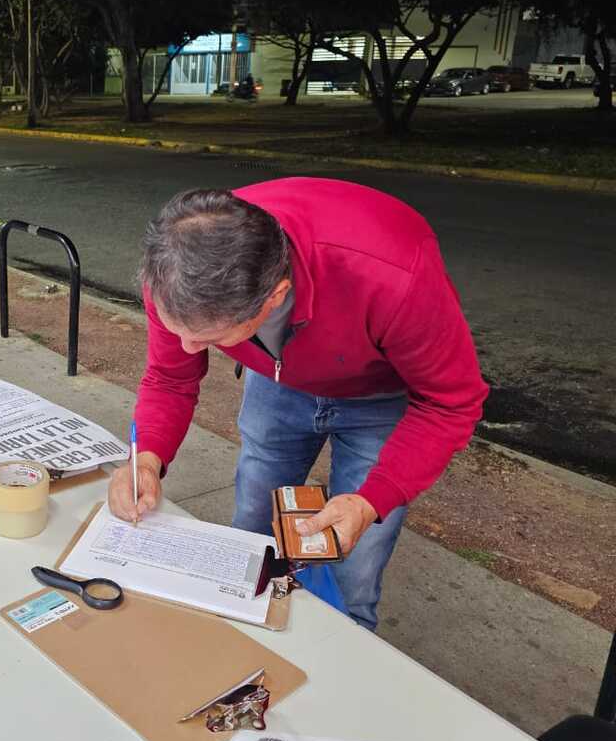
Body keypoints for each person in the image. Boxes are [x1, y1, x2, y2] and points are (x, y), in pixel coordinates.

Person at [108, 180, 488, 629]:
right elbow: (171, 377)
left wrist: (372, 501)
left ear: (273, 296)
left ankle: (345, 646)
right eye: (178, 331)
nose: (188, 348)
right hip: (277, 379)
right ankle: (245, 631)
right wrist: (147, 457)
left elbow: (449, 403)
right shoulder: (173, 272)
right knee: (251, 535)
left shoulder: (395, 276)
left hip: (380, 393)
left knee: (354, 561)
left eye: (209, 339)